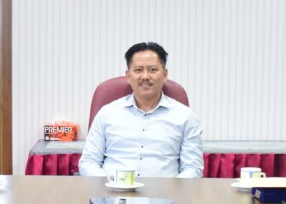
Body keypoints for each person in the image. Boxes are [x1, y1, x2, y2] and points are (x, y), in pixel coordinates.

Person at [79, 42, 204, 179]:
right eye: (138, 70)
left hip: (165, 191)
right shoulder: (107, 113)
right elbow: (89, 161)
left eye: (152, 70)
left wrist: (174, 189)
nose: (145, 76)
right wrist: (106, 184)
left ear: (165, 74)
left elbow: (193, 167)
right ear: (128, 76)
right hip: (112, 190)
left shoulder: (185, 117)